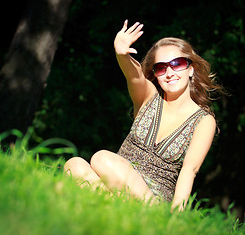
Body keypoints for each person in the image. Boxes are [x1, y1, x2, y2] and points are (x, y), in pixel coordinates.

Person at [64, 20, 223, 211]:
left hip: (152, 199)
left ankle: (150, 217)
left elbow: (189, 172)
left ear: (191, 69)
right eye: (161, 68)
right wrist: (122, 55)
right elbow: (135, 76)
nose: (169, 72)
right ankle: (115, 213)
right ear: (155, 74)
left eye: (177, 63)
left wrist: (175, 221)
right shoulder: (148, 97)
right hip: (114, 179)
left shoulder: (204, 121)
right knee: (74, 165)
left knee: (101, 158)